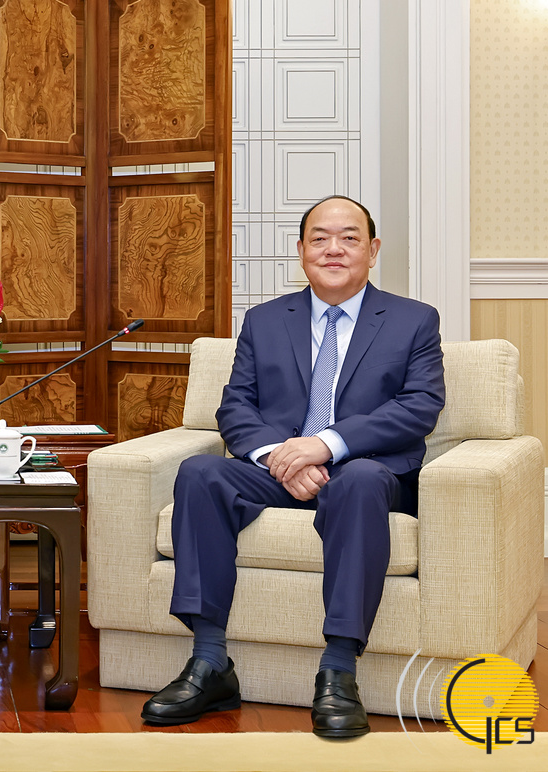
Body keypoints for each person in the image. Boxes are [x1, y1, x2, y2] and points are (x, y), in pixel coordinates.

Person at [140, 195, 444, 738]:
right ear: (301, 250)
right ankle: (209, 663)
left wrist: (324, 445)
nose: (334, 249)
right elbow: (236, 406)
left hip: (366, 473)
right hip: (277, 470)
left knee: (360, 480)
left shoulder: (413, 320)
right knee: (200, 473)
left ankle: (339, 672)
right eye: (320, 238)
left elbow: (418, 406)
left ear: (373, 250)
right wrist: (281, 458)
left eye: (349, 238)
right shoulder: (264, 321)